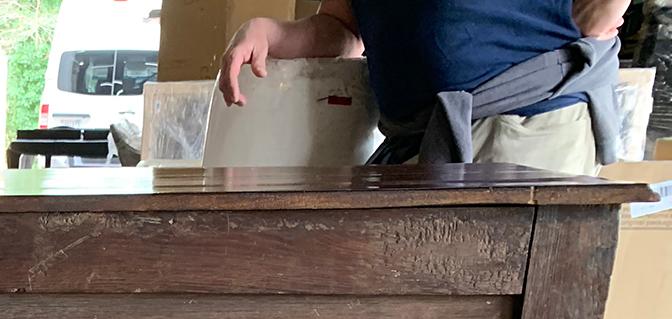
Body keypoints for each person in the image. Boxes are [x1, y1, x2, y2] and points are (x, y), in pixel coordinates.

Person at [216, 1, 631, 173]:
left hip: (523, 125)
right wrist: (270, 33)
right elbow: (343, 28)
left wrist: (597, 12)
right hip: (415, 140)